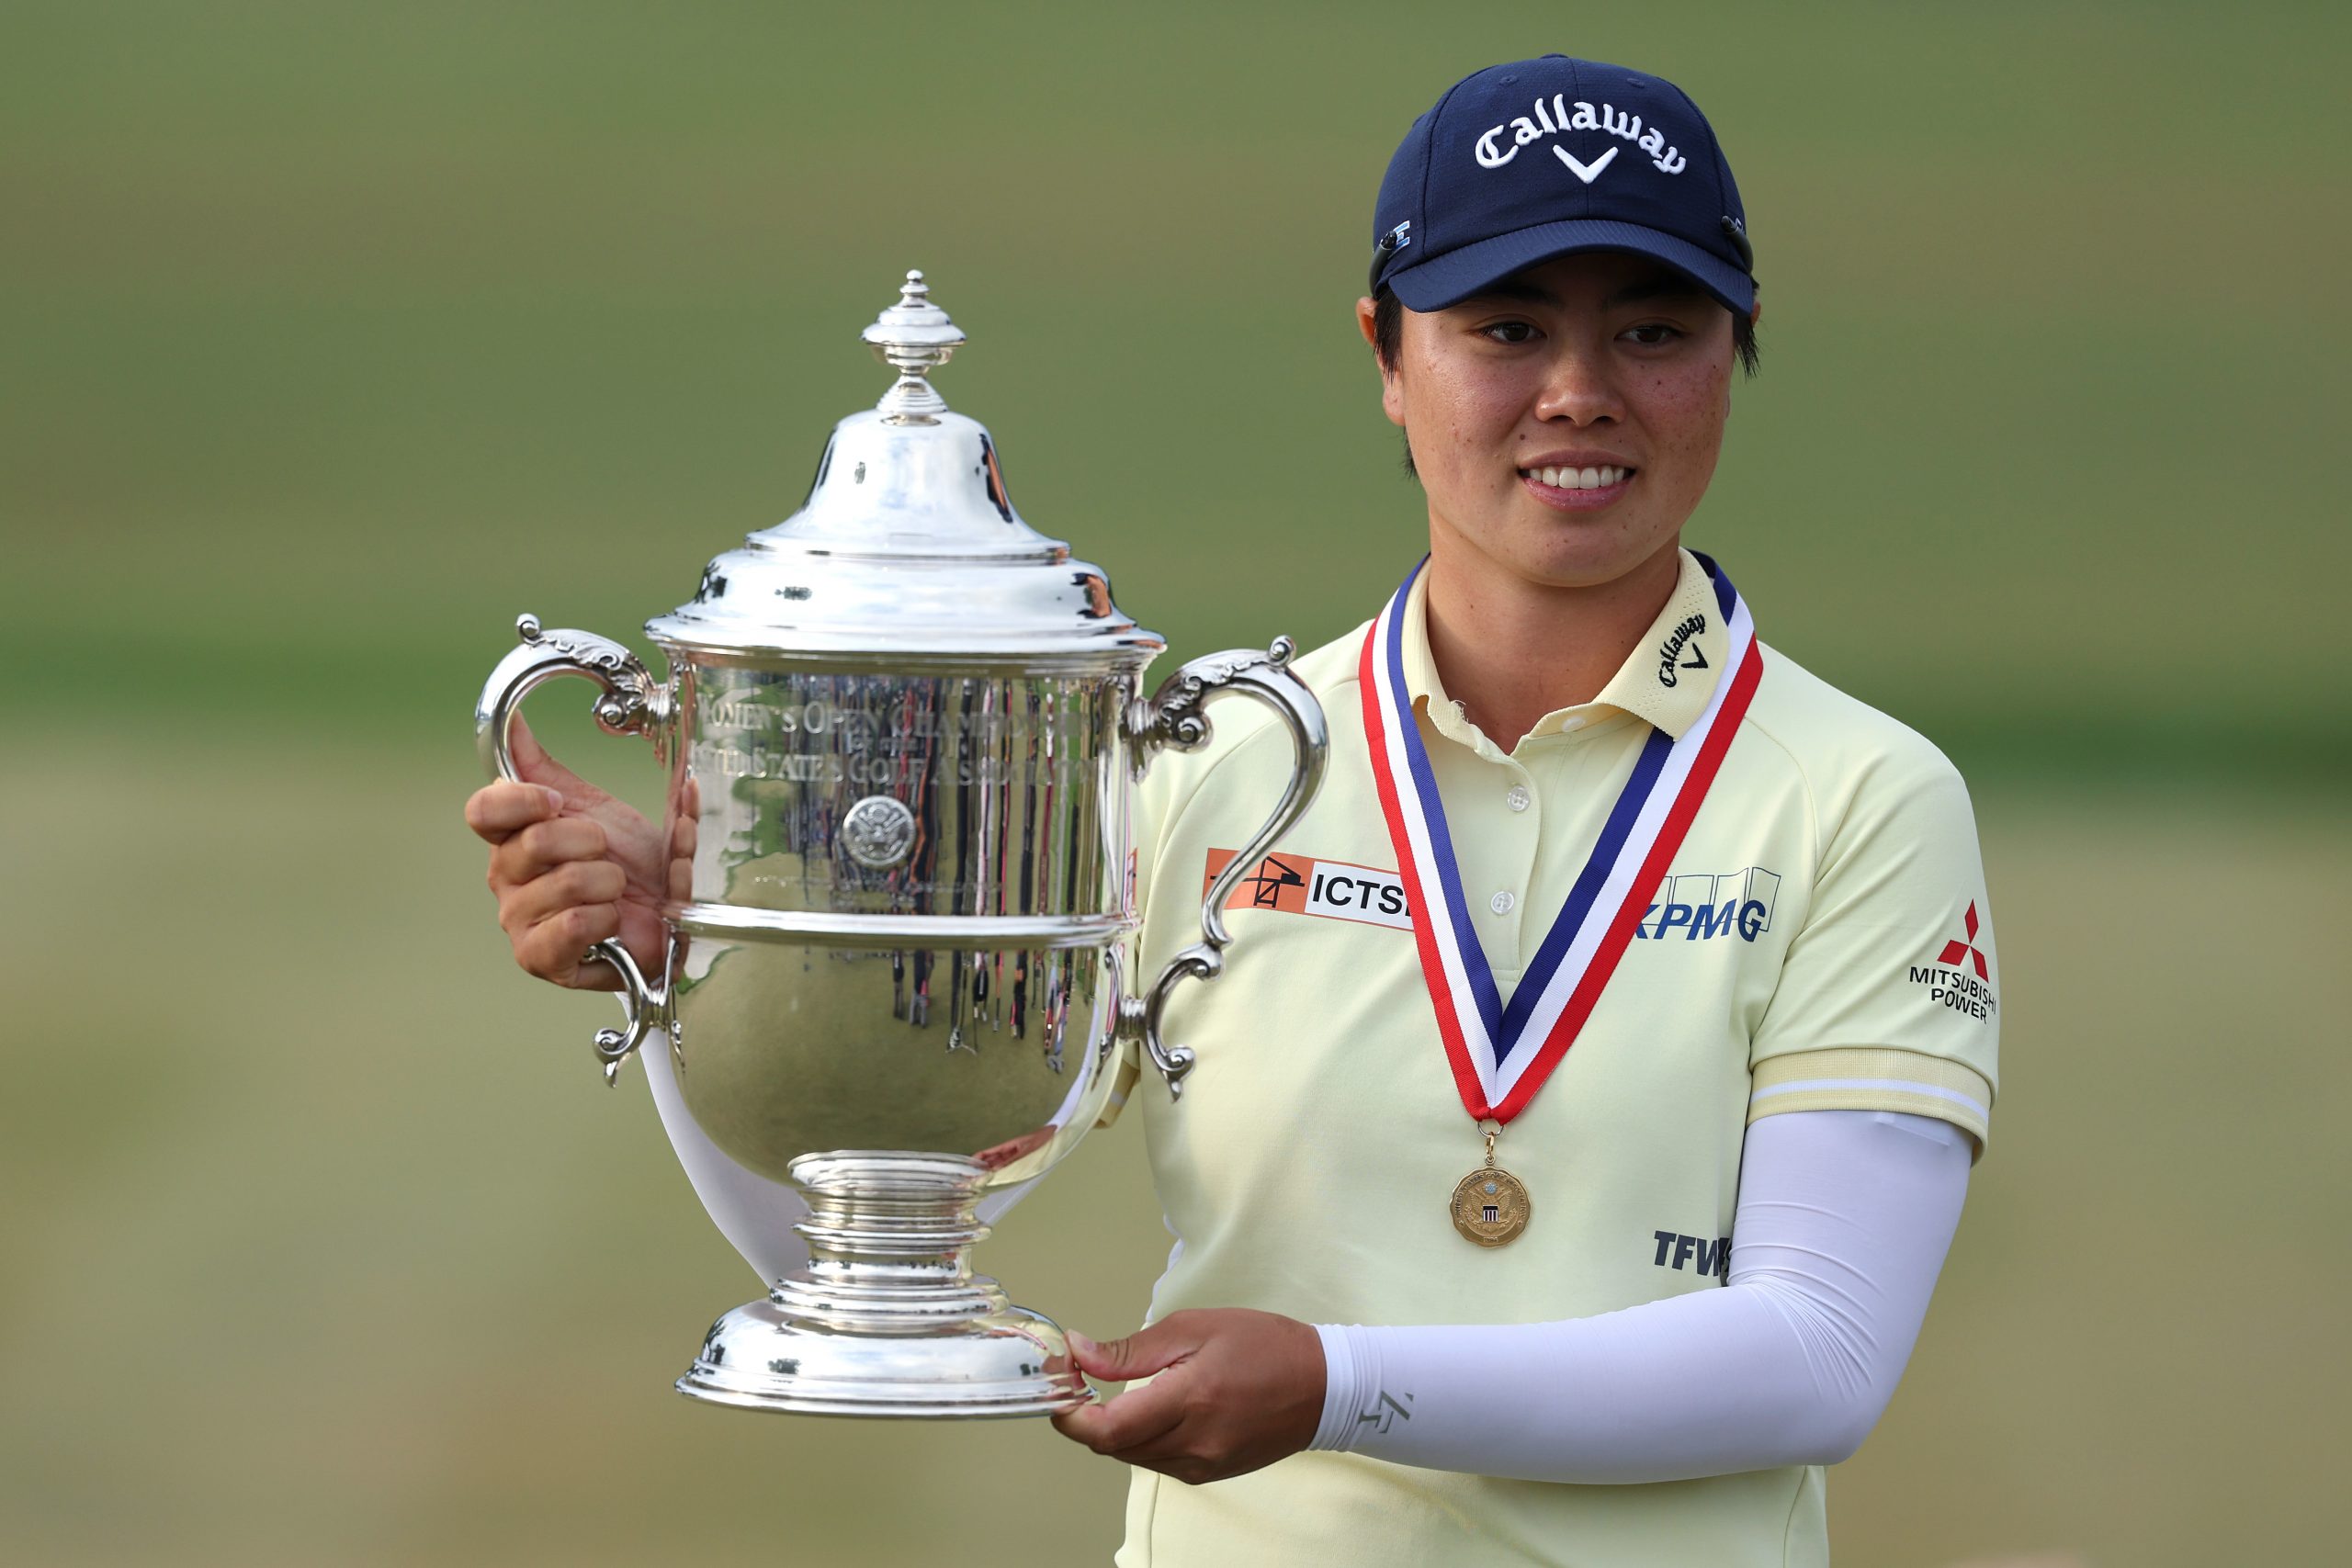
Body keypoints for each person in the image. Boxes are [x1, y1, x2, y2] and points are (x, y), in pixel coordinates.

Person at [465, 55, 2000, 1568]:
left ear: (1737, 353)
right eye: (1505, 328)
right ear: (1387, 356)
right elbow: (855, 1244)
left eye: (1653, 330)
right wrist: (705, 973)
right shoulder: (1215, 755)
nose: (1579, 393)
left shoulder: (1859, 797)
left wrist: (1336, 1386)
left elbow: (1819, 1353)